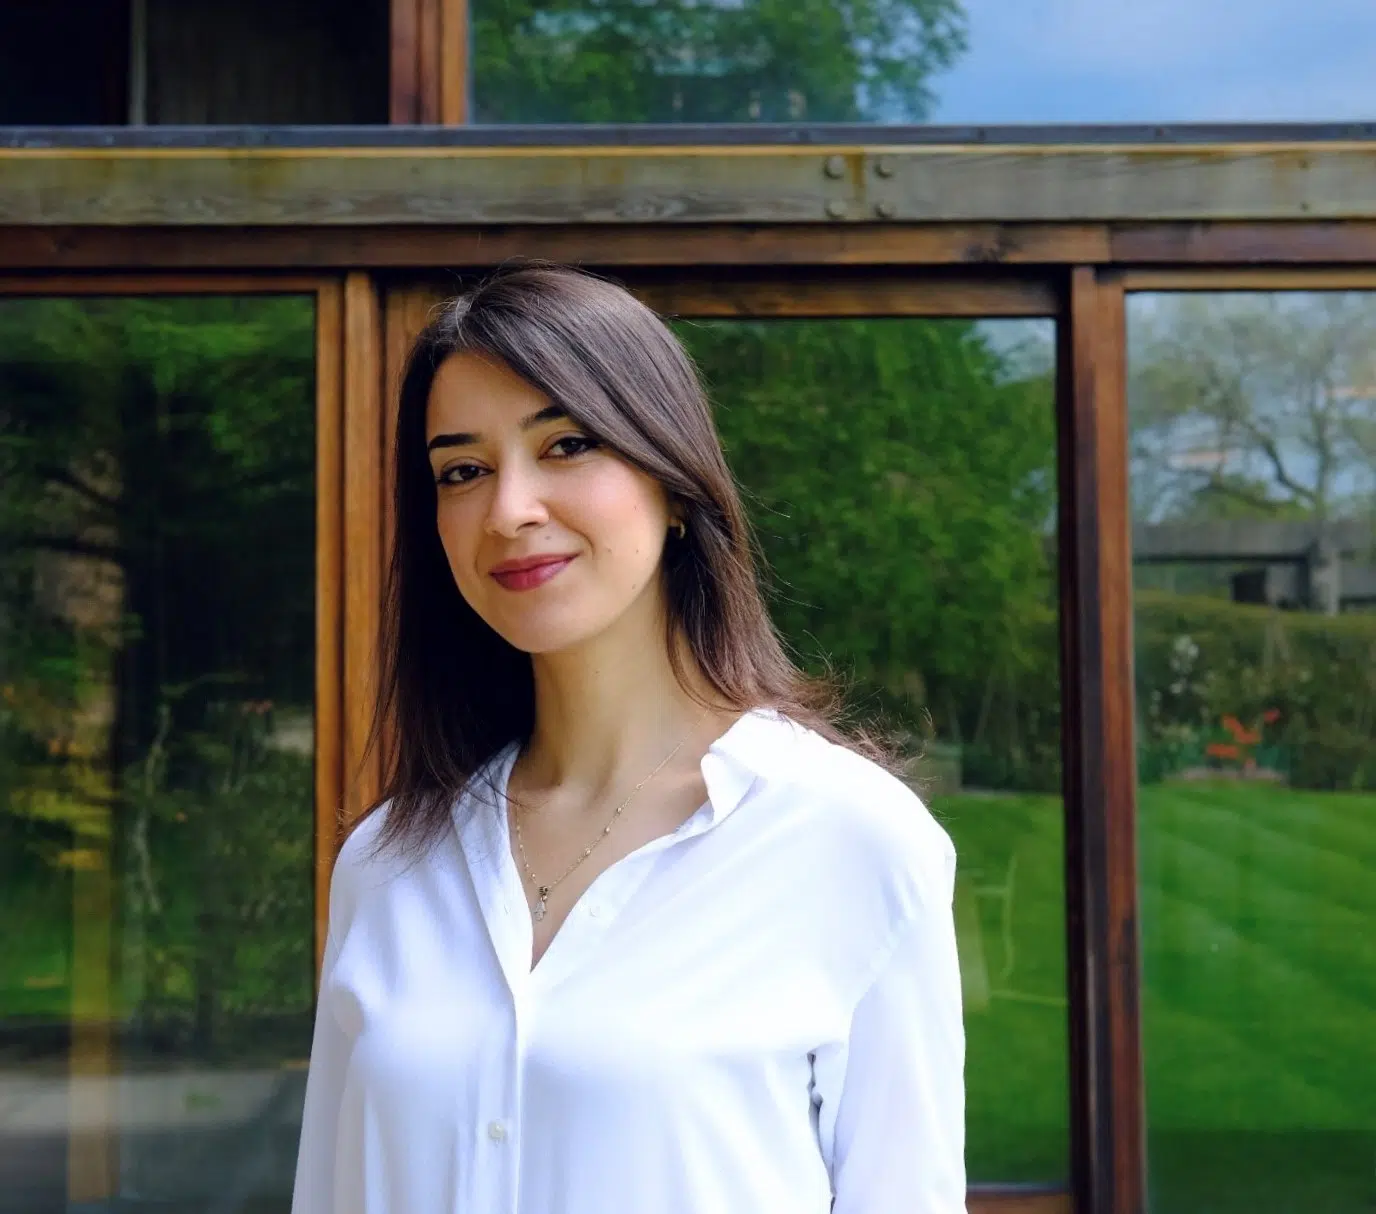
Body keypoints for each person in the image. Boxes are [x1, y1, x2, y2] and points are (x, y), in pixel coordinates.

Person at [290, 263, 965, 1214]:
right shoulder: (390, 863)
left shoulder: (849, 838)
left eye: (565, 445)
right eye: (462, 470)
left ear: (675, 481)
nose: (510, 509)